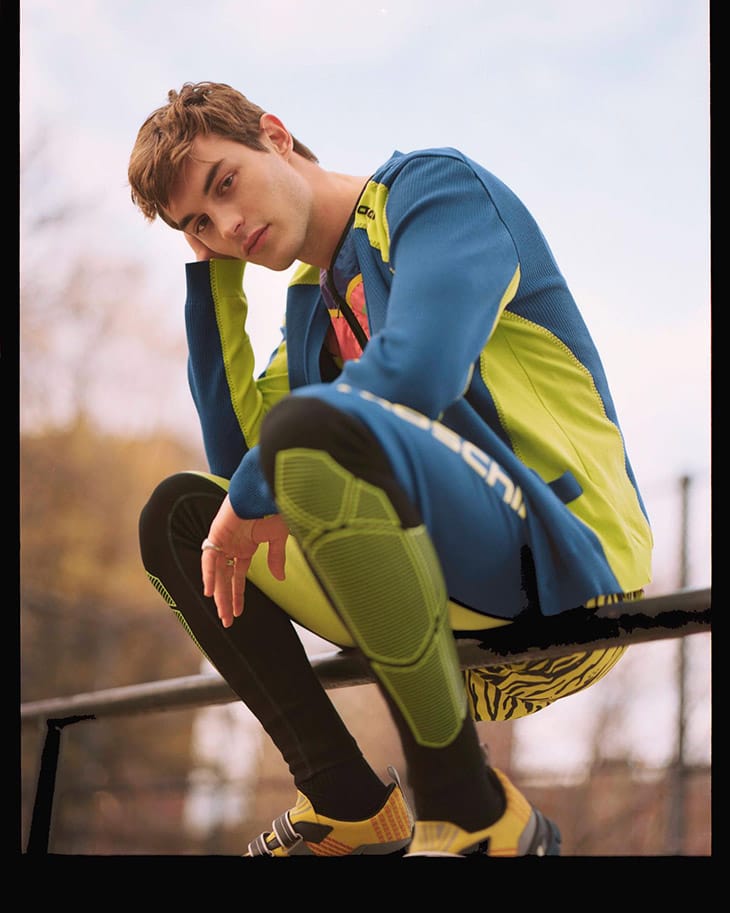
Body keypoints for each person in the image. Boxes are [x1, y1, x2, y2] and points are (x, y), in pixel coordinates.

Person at [128, 81, 653, 858]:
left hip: (567, 572)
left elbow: (419, 372)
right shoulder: (308, 308)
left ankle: (469, 809)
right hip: (444, 633)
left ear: (276, 135)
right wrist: (212, 284)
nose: (228, 225)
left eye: (225, 183)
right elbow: (240, 477)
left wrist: (267, 474)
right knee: (181, 518)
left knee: (310, 433)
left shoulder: (435, 193)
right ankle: (345, 799)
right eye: (199, 222)